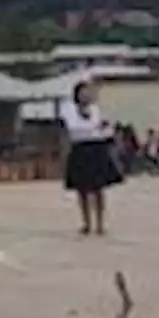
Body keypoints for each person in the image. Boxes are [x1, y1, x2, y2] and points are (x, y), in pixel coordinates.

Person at [61, 80, 123, 236]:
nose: (86, 95)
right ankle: (86, 223)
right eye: (82, 92)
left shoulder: (96, 110)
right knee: (81, 189)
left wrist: (101, 130)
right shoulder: (69, 110)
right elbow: (73, 128)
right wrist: (93, 129)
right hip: (80, 149)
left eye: (88, 92)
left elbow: (105, 128)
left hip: (96, 148)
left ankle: (100, 223)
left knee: (98, 189)